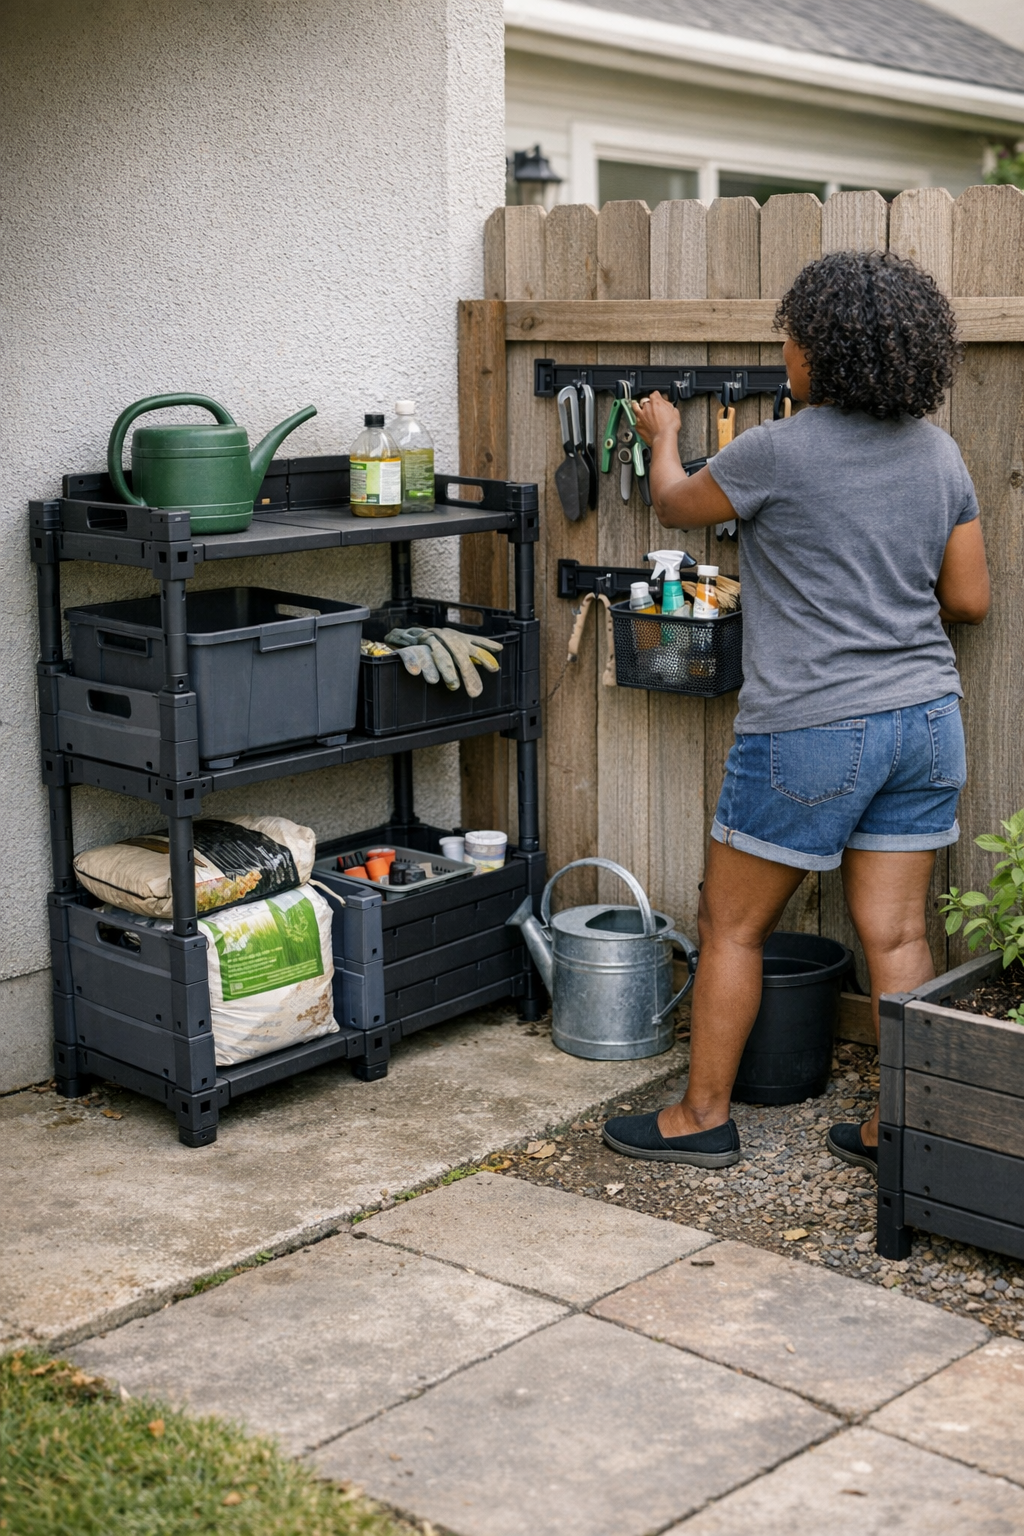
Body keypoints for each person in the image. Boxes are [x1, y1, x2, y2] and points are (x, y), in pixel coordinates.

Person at [602, 250, 990, 1173]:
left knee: (734, 927)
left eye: (791, 339)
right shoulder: (939, 453)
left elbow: (675, 505)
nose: (785, 354)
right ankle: (903, 1134)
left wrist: (663, 432)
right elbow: (968, 600)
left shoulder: (774, 448)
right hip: (927, 719)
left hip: (812, 726)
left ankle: (701, 1117)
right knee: (899, 933)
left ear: (821, 351)